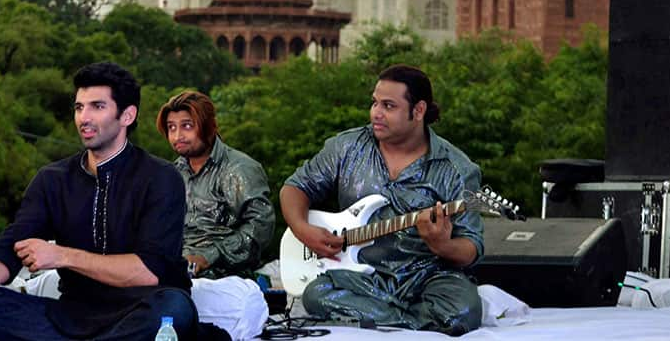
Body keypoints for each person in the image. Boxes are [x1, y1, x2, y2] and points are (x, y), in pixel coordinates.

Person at [0, 62, 200, 340]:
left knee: (174, 311)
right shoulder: (52, 179)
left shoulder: (161, 178)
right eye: (79, 107)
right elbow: (12, 245)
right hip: (71, 316)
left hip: (141, 310)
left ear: (127, 115)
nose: (84, 118)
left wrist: (62, 256)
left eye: (97, 106)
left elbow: (149, 271)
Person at [280, 64, 483, 336]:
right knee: (316, 294)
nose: (376, 113)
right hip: (362, 278)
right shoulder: (347, 147)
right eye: (374, 103)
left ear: (418, 111)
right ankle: (412, 319)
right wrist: (302, 230)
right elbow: (294, 188)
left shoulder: (456, 168)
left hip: (429, 278)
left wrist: (442, 245)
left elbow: (471, 248)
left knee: (464, 309)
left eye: (388, 106)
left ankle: (379, 317)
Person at [157, 90, 275, 279]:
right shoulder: (172, 174)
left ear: (208, 126)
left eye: (187, 126)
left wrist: (208, 256)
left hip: (226, 275)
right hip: (175, 268)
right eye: (171, 127)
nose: (177, 135)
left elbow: (260, 227)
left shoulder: (239, 168)